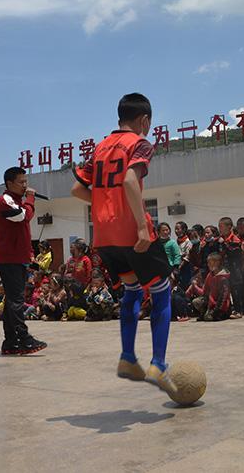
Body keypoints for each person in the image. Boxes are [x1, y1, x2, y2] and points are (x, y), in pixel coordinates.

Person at [71, 92, 177, 396]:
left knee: (132, 290)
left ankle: (128, 357)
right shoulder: (139, 143)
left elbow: (77, 189)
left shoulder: (100, 147)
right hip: (131, 232)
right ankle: (158, 363)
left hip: (104, 235)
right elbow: (131, 180)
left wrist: (105, 204)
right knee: (162, 292)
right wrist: (142, 226)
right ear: (144, 120)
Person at [0, 166, 48, 355]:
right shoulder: (5, 201)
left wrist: (29, 254)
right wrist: (30, 199)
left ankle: (10, 342)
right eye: (21, 182)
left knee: (12, 300)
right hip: (9, 258)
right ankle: (24, 339)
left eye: (26, 181)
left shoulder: (17, 201)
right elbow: (23, 216)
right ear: (10, 183)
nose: (25, 185)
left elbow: (22, 228)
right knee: (16, 300)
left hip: (18, 257)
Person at [190, 253, 231, 321]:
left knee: (208, 318)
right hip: (211, 303)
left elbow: (223, 297)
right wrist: (195, 286)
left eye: (210, 262)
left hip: (221, 307)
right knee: (196, 301)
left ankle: (217, 315)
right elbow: (204, 292)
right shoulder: (209, 275)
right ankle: (205, 313)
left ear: (217, 263)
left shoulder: (223, 278)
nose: (208, 265)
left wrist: (215, 311)